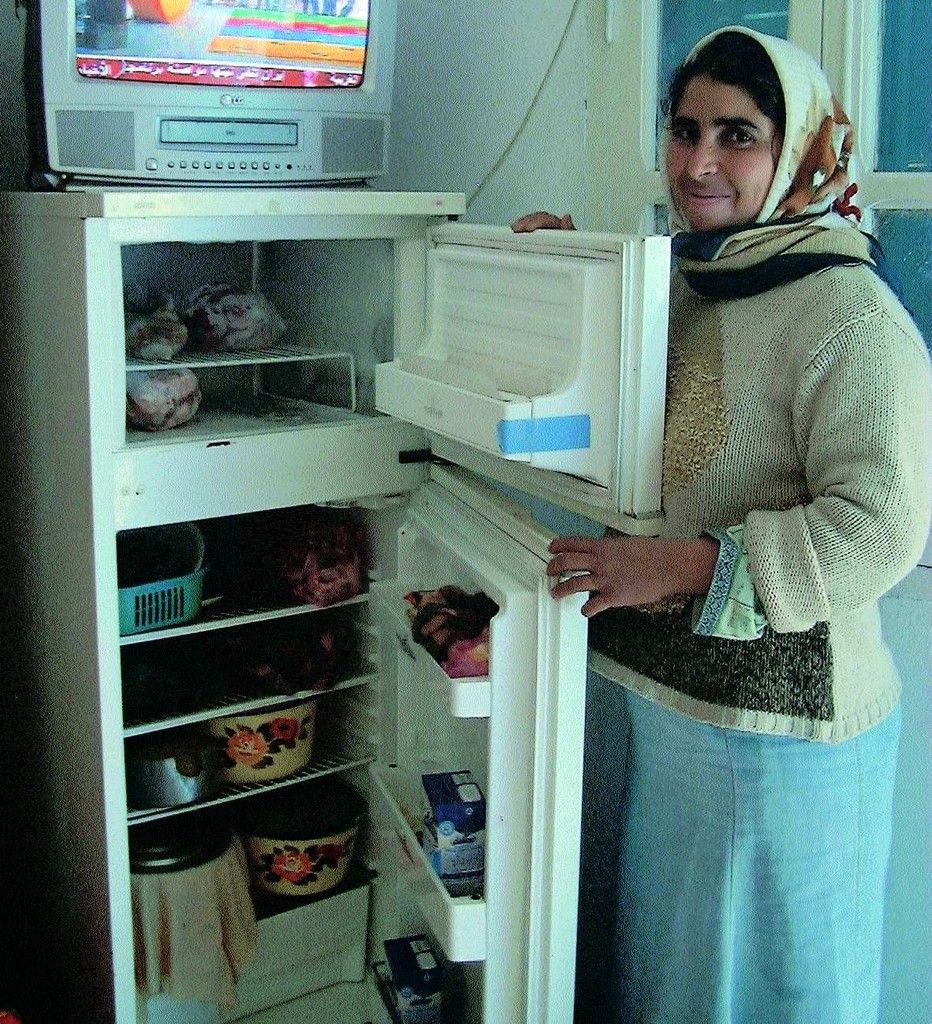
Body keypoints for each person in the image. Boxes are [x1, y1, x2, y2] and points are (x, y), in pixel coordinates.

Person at [513, 26, 930, 1024]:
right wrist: (561, 282)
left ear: (796, 153)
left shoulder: (845, 315)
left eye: (736, 135)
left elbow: (880, 529)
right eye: (683, 129)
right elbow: (607, 426)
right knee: (673, 971)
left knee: (779, 983)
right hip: (666, 706)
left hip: (783, 734)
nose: (697, 163)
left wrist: (683, 567)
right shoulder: (682, 277)